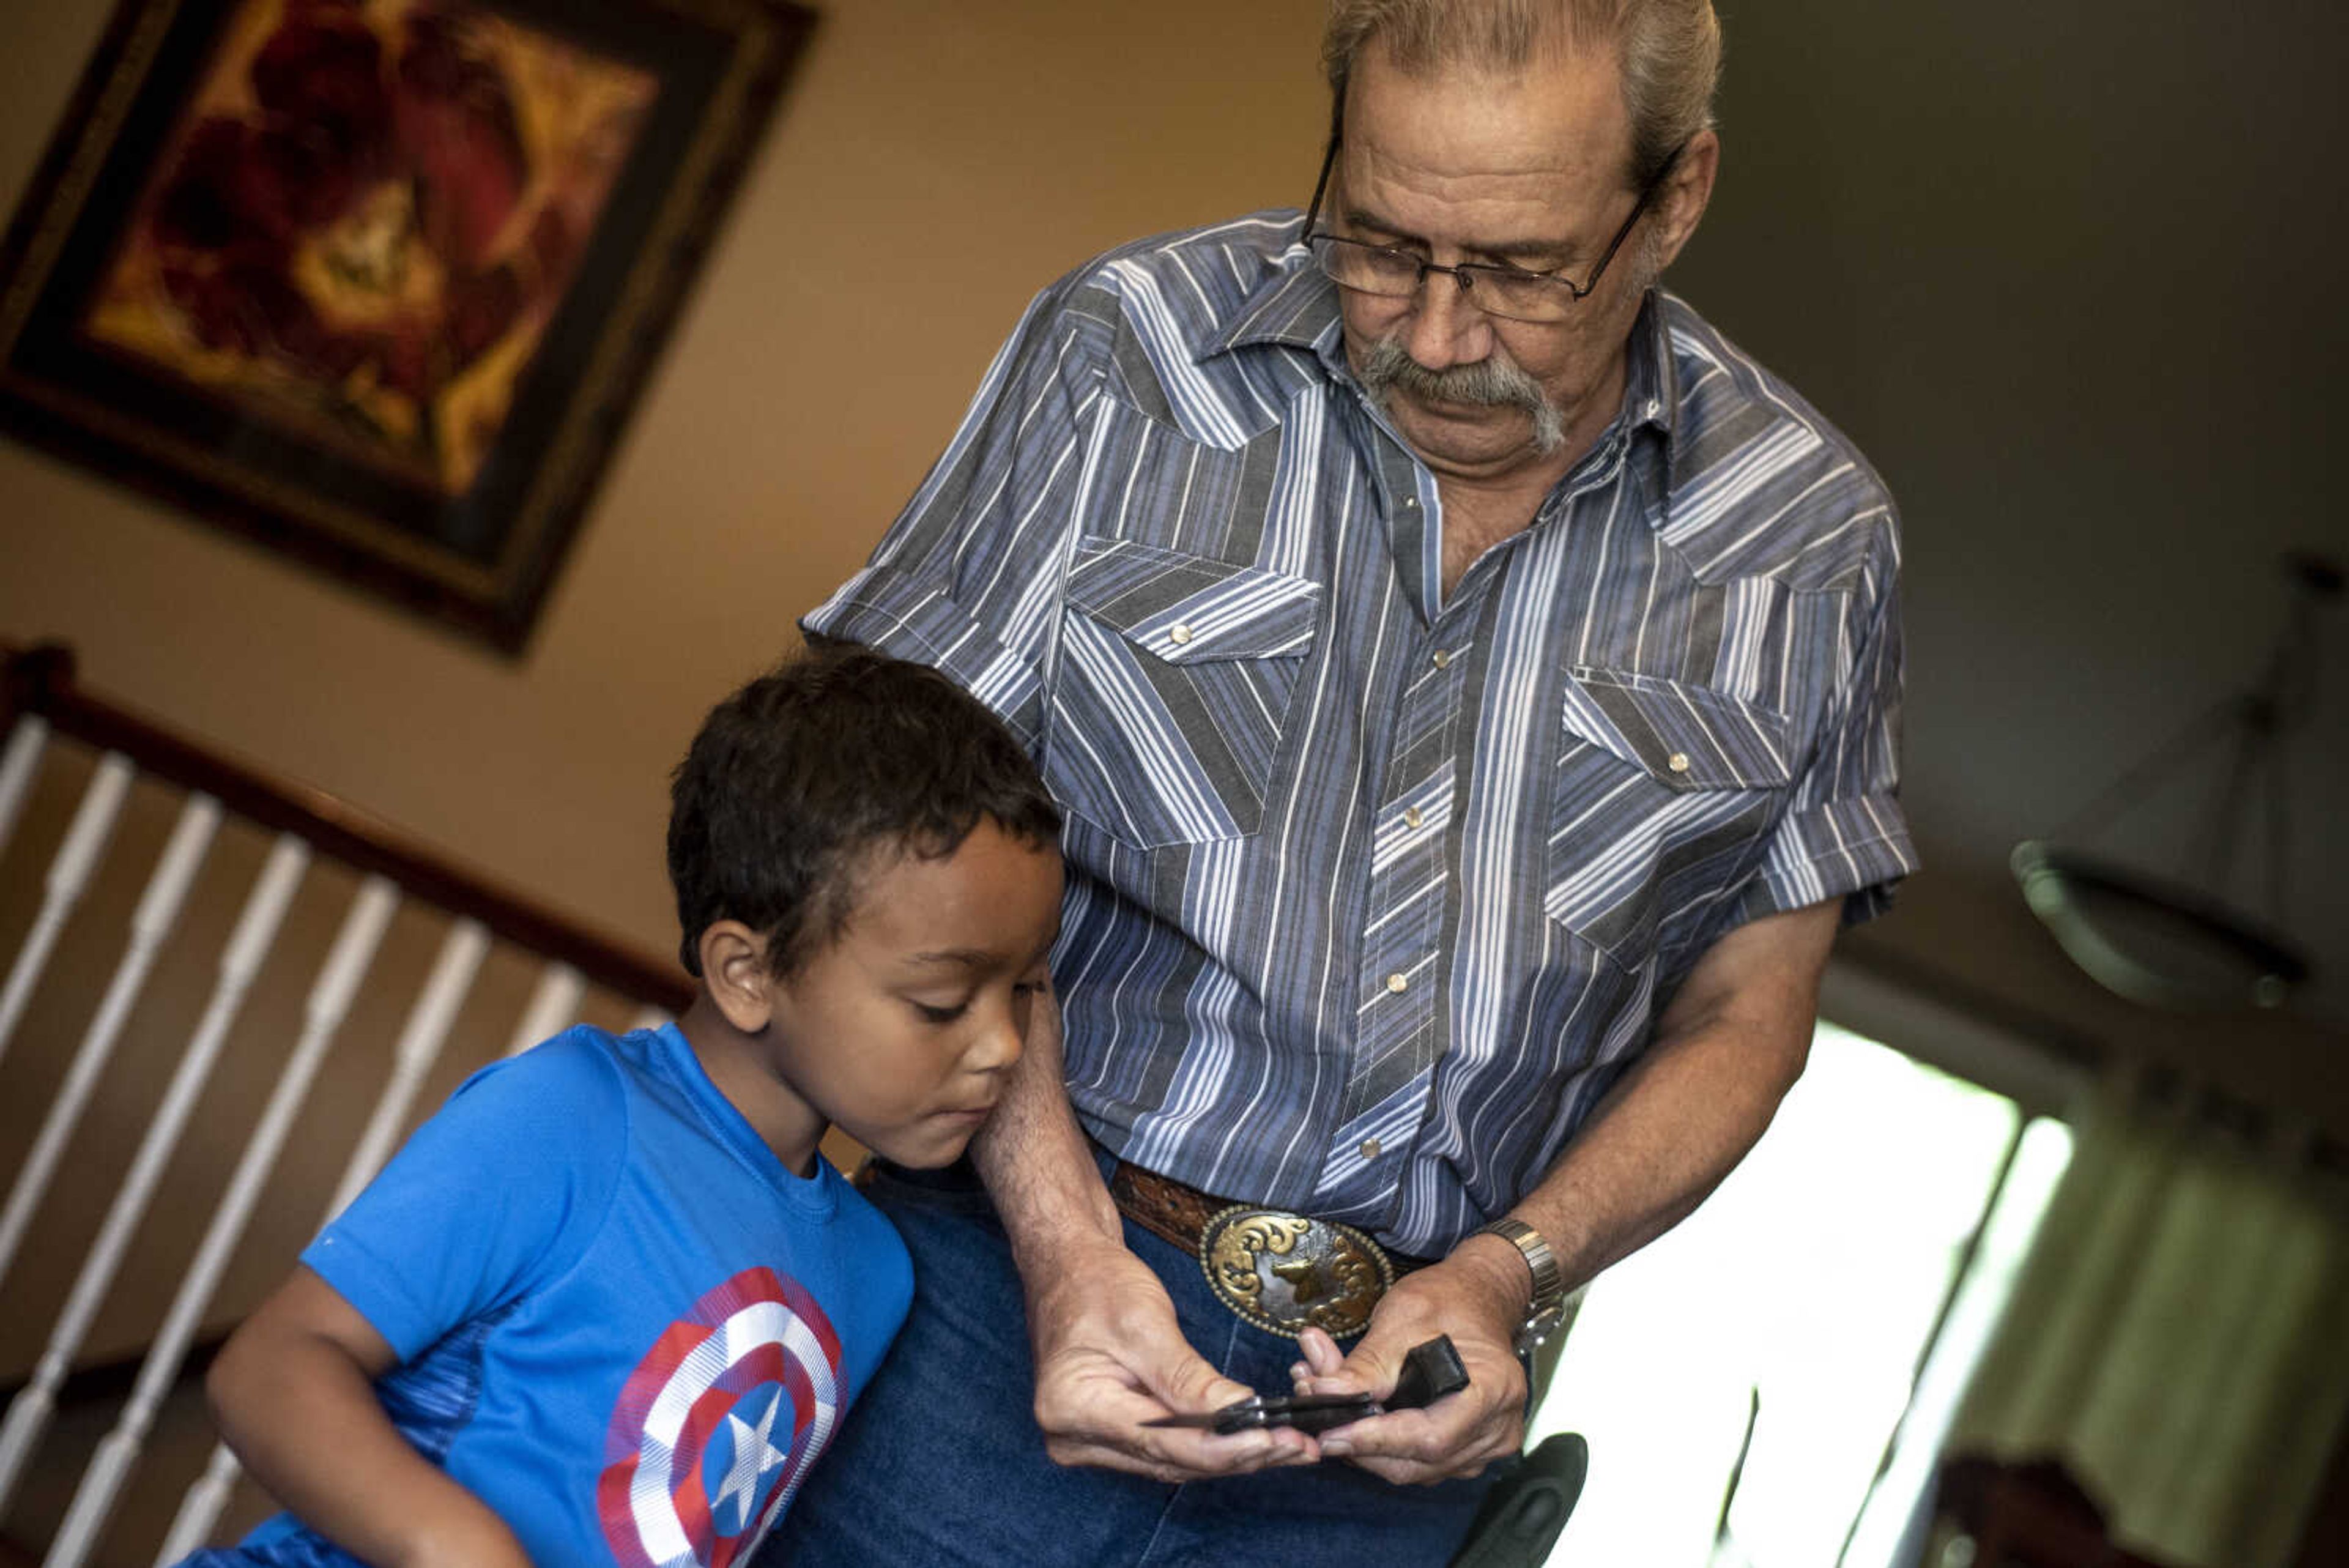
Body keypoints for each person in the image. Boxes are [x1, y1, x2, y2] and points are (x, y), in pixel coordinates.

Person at [768, 1, 1918, 1562]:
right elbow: (874, 800)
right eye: (1377, 242)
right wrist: (1056, 1238)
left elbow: (1747, 1014)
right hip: (984, 1282)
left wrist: (1511, 1273)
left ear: (1677, 199)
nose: (1435, 335)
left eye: (1520, 270)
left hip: (1400, 1421)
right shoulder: (1130, 351)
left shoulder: (1810, 545)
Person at [181, 648, 1064, 1568]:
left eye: (1027, 993)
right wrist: (460, 1547)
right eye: (943, 1002)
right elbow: (271, 1367)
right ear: (748, 973)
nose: (1003, 1044)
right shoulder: (570, 1118)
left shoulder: (876, 1273)